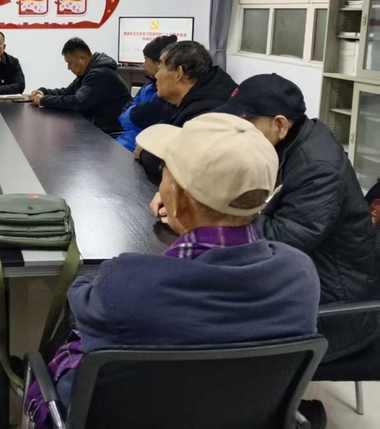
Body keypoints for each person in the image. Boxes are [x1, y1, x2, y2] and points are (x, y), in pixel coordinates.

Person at [26, 114, 320, 428]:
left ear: (178, 198)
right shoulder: (300, 275)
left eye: (166, 171)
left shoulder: (127, 282)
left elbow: (81, 300)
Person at [217, 73, 379, 363]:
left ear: (280, 124)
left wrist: (213, 212)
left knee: (210, 323)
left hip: (330, 311)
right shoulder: (282, 144)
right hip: (296, 280)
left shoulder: (318, 167)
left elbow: (284, 238)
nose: (236, 133)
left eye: (245, 125)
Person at [137, 41, 237, 182]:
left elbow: (184, 166)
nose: (156, 75)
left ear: (179, 73)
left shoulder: (209, 111)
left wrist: (145, 153)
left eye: (161, 68)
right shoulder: (182, 96)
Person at [28, 38, 130, 136]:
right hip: (96, 128)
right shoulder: (88, 72)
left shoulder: (99, 74)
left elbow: (77, 102)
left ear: (82, 59)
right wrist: (43, 92)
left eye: (69, 63)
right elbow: (68, 91)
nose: (68, 68)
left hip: (110, 132)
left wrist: (43, 100)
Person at [115, 34, 177, 151]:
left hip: (140, 148)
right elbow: (125, 113)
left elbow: (142, 118)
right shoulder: (148, 86)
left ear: (158, 63)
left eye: (146, 59)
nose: (143, 64)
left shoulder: (167, 94)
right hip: (126, 141)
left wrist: (133, 114)